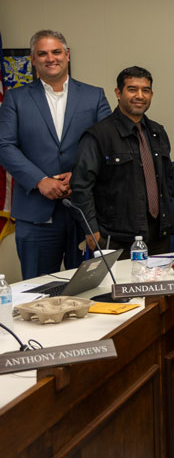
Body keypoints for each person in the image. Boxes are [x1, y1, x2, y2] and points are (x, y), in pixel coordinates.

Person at [0, 29, 111, 279]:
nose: (51, 58)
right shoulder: (15, 99)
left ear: (67, 55)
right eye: (43, 53)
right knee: (38, 293)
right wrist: (40, 180)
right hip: (36, 213)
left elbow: (108, 145)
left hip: (85, 213)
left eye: (56, 52)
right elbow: (4, 145)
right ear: (33, 60)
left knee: (90, 290)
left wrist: (79, 176)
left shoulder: (94, 96)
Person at [71, 66, 173, 257]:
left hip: (158, 236)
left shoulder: (157, 132)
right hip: (115, 237)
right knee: (119, 288)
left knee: (159, 287)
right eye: (132, 89)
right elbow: (80, 187)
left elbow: (167, 180)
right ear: (118, 93)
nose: (140, 96)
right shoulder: (98, 135)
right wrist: (91, 230)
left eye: (146, 90)